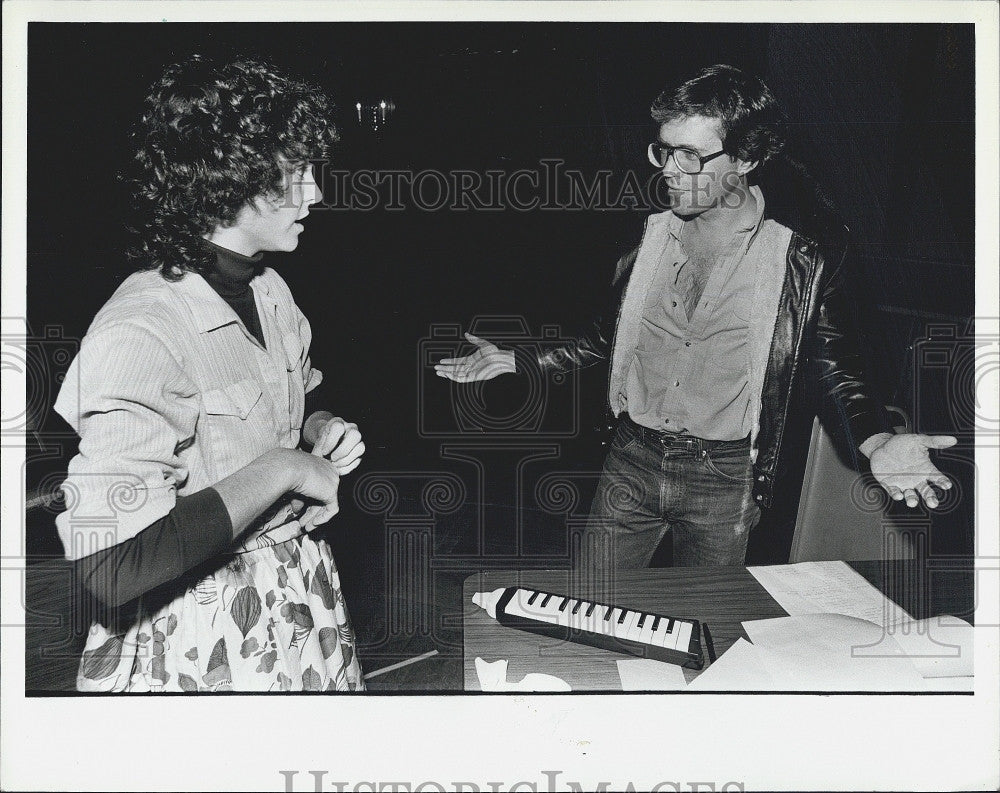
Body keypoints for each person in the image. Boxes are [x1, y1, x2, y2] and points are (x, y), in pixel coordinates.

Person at [436, 64, 956, 569]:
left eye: (690, 154)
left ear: (747, 157)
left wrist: (877, 439)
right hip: (630, 461)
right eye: (663, 150)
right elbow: (608, 336)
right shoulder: (644, 232)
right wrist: (523, 359)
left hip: (725, 478)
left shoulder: (801, 256)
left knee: (710, 628)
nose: (668, 169)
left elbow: (830, 366)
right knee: (589, 604)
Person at [54, 55, 366, 691]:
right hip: (198, 635)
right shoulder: (140, 328)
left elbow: (287, 403)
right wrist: (285, 468)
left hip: (296, 596)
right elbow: (110, 562)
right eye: (298, 174)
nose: (317, 193)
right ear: (235, 177)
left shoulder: (271, 289)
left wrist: (319, 429)